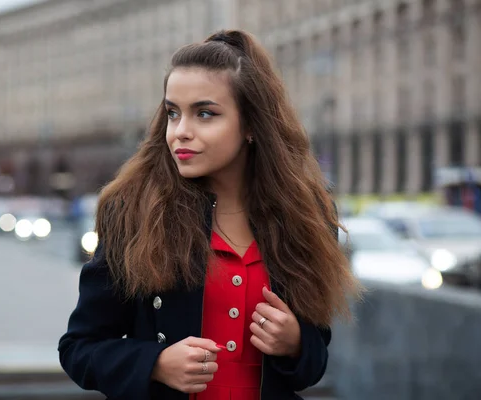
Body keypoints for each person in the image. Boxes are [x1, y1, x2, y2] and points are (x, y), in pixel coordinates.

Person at [58, 29, 361, 400]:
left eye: (205, 113)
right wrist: (156, 362)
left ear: (251, 124)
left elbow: (313, 363)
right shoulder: (134, 212)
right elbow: (79, 348)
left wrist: (295, 343)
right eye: (173, 113)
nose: (180, 132)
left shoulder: (304, 215)